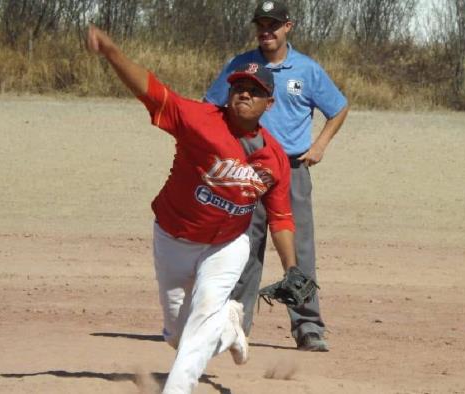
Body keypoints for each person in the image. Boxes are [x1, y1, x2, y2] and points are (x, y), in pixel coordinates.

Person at [87, 25, 300, 394]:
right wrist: (111, 52)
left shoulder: (275, 159)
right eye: (238, 88)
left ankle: (177, 389)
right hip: (174, 238)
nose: (245, 94)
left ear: (270, 103)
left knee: (201, 320)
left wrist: (292, 268)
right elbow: (152, 92)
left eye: (256, 91)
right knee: (178, 336)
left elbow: (280, 217)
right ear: (228, 94)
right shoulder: (199, 120)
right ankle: (231, 324)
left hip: (228, 245)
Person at [204, 0, 349, 352]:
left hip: (291, 170)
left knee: (299, 252)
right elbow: (210, 106)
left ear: (288, 27)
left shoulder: (307, 69)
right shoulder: (240, 66)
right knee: (244, 249)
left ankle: (308, 327)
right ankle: (234, 327)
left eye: (273, 25)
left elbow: (339, 106)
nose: (266, 31)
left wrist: (320, 145)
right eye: (261, 25)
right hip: (246, 171)